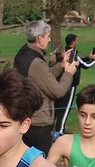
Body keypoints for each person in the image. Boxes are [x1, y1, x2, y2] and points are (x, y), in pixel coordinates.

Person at [13, 20, 76, 154]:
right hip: (38, 124)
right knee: (39, 166)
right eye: (48, 37)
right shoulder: (36, 62)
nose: (49, 40)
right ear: (40, 38)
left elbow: (42, 77)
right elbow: (57, 91)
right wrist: (69, 73)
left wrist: (61, 66)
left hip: (26, 119)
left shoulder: (24, 53)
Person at [52, 34, 95, 134]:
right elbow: (85, 65)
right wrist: (93, 59)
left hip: (60, 82)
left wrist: (87, 57)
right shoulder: (73, 52)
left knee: (57, 106)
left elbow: (79, 62)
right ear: (73, 42)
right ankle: (60, 131)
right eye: (76, 40)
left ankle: (52, 129)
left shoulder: (64, 52)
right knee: (65, 108)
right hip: (70, 85)